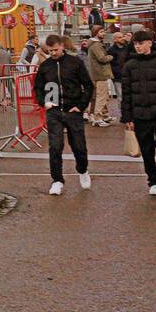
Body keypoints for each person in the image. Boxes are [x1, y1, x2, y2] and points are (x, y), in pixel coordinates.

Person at [33, 34, 94, 196]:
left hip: (73, 110)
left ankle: (83, 170)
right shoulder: (45, 66)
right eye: (50, 50)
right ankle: (57, 180)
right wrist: (43, 102)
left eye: (55, 50)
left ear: (62, 46)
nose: (53, 53)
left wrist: (81, 106)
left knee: (78, 145)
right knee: (55, 146)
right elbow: (38, 87)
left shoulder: (75, 63)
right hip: (54, 111)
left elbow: (88, 85)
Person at [121, 31, 156, 196]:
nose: (138, 46)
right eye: (135, 44)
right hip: (140, 115)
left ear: (149, 43)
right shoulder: (129, 65)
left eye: (140, 43)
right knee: (146, 150)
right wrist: (127, 117)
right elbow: (126, 94)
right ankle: (153, 180)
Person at [86, 26, 115, 127]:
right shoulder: (96, 45)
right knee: (102, 96)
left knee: (102, 95)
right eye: (102, 32)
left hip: (97, 73)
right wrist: (111, 56)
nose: (104, 34)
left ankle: (104, 115)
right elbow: (102, 58)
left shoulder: (93, 44)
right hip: (100, 73)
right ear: (96, 33)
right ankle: (98, 117)